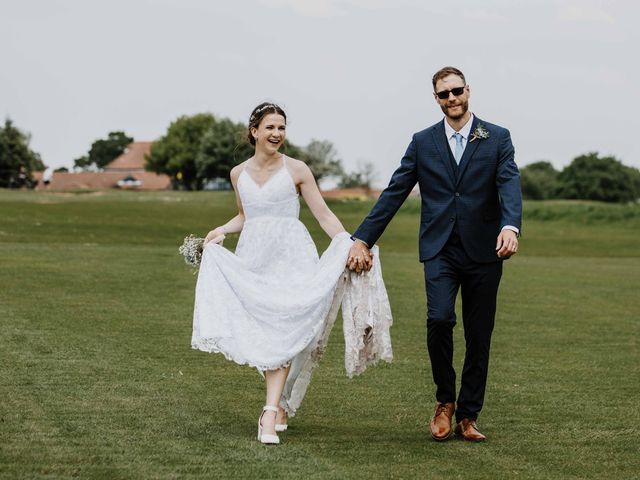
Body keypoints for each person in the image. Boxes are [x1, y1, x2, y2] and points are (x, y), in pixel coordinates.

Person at [191, 102, 392, 445]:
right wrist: (220, 230)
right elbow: (245, 215)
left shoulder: (297, 169)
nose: (277, 134)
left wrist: (350, 243)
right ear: (254, 131)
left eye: (282, 127)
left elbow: (324, 215)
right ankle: (279, 402)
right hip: (255, 258)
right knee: (266, 333)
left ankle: (269, 413)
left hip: (292, 256)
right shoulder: (238, 174)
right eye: (270, 127)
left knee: (290, 331)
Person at [347, 66, 522, 442]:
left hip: (485, 251)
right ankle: (445, 401)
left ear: (468, 90)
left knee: (479, 334)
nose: (452, 98)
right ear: (436, 99)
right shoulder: (422, 141)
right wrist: (362, 238)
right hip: (440, 249)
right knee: (440, 319)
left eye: (456, 91)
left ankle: (468, 414)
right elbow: (395, 191)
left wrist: (510, 225)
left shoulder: (497, 137)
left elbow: (508, 182)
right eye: (444, 94)